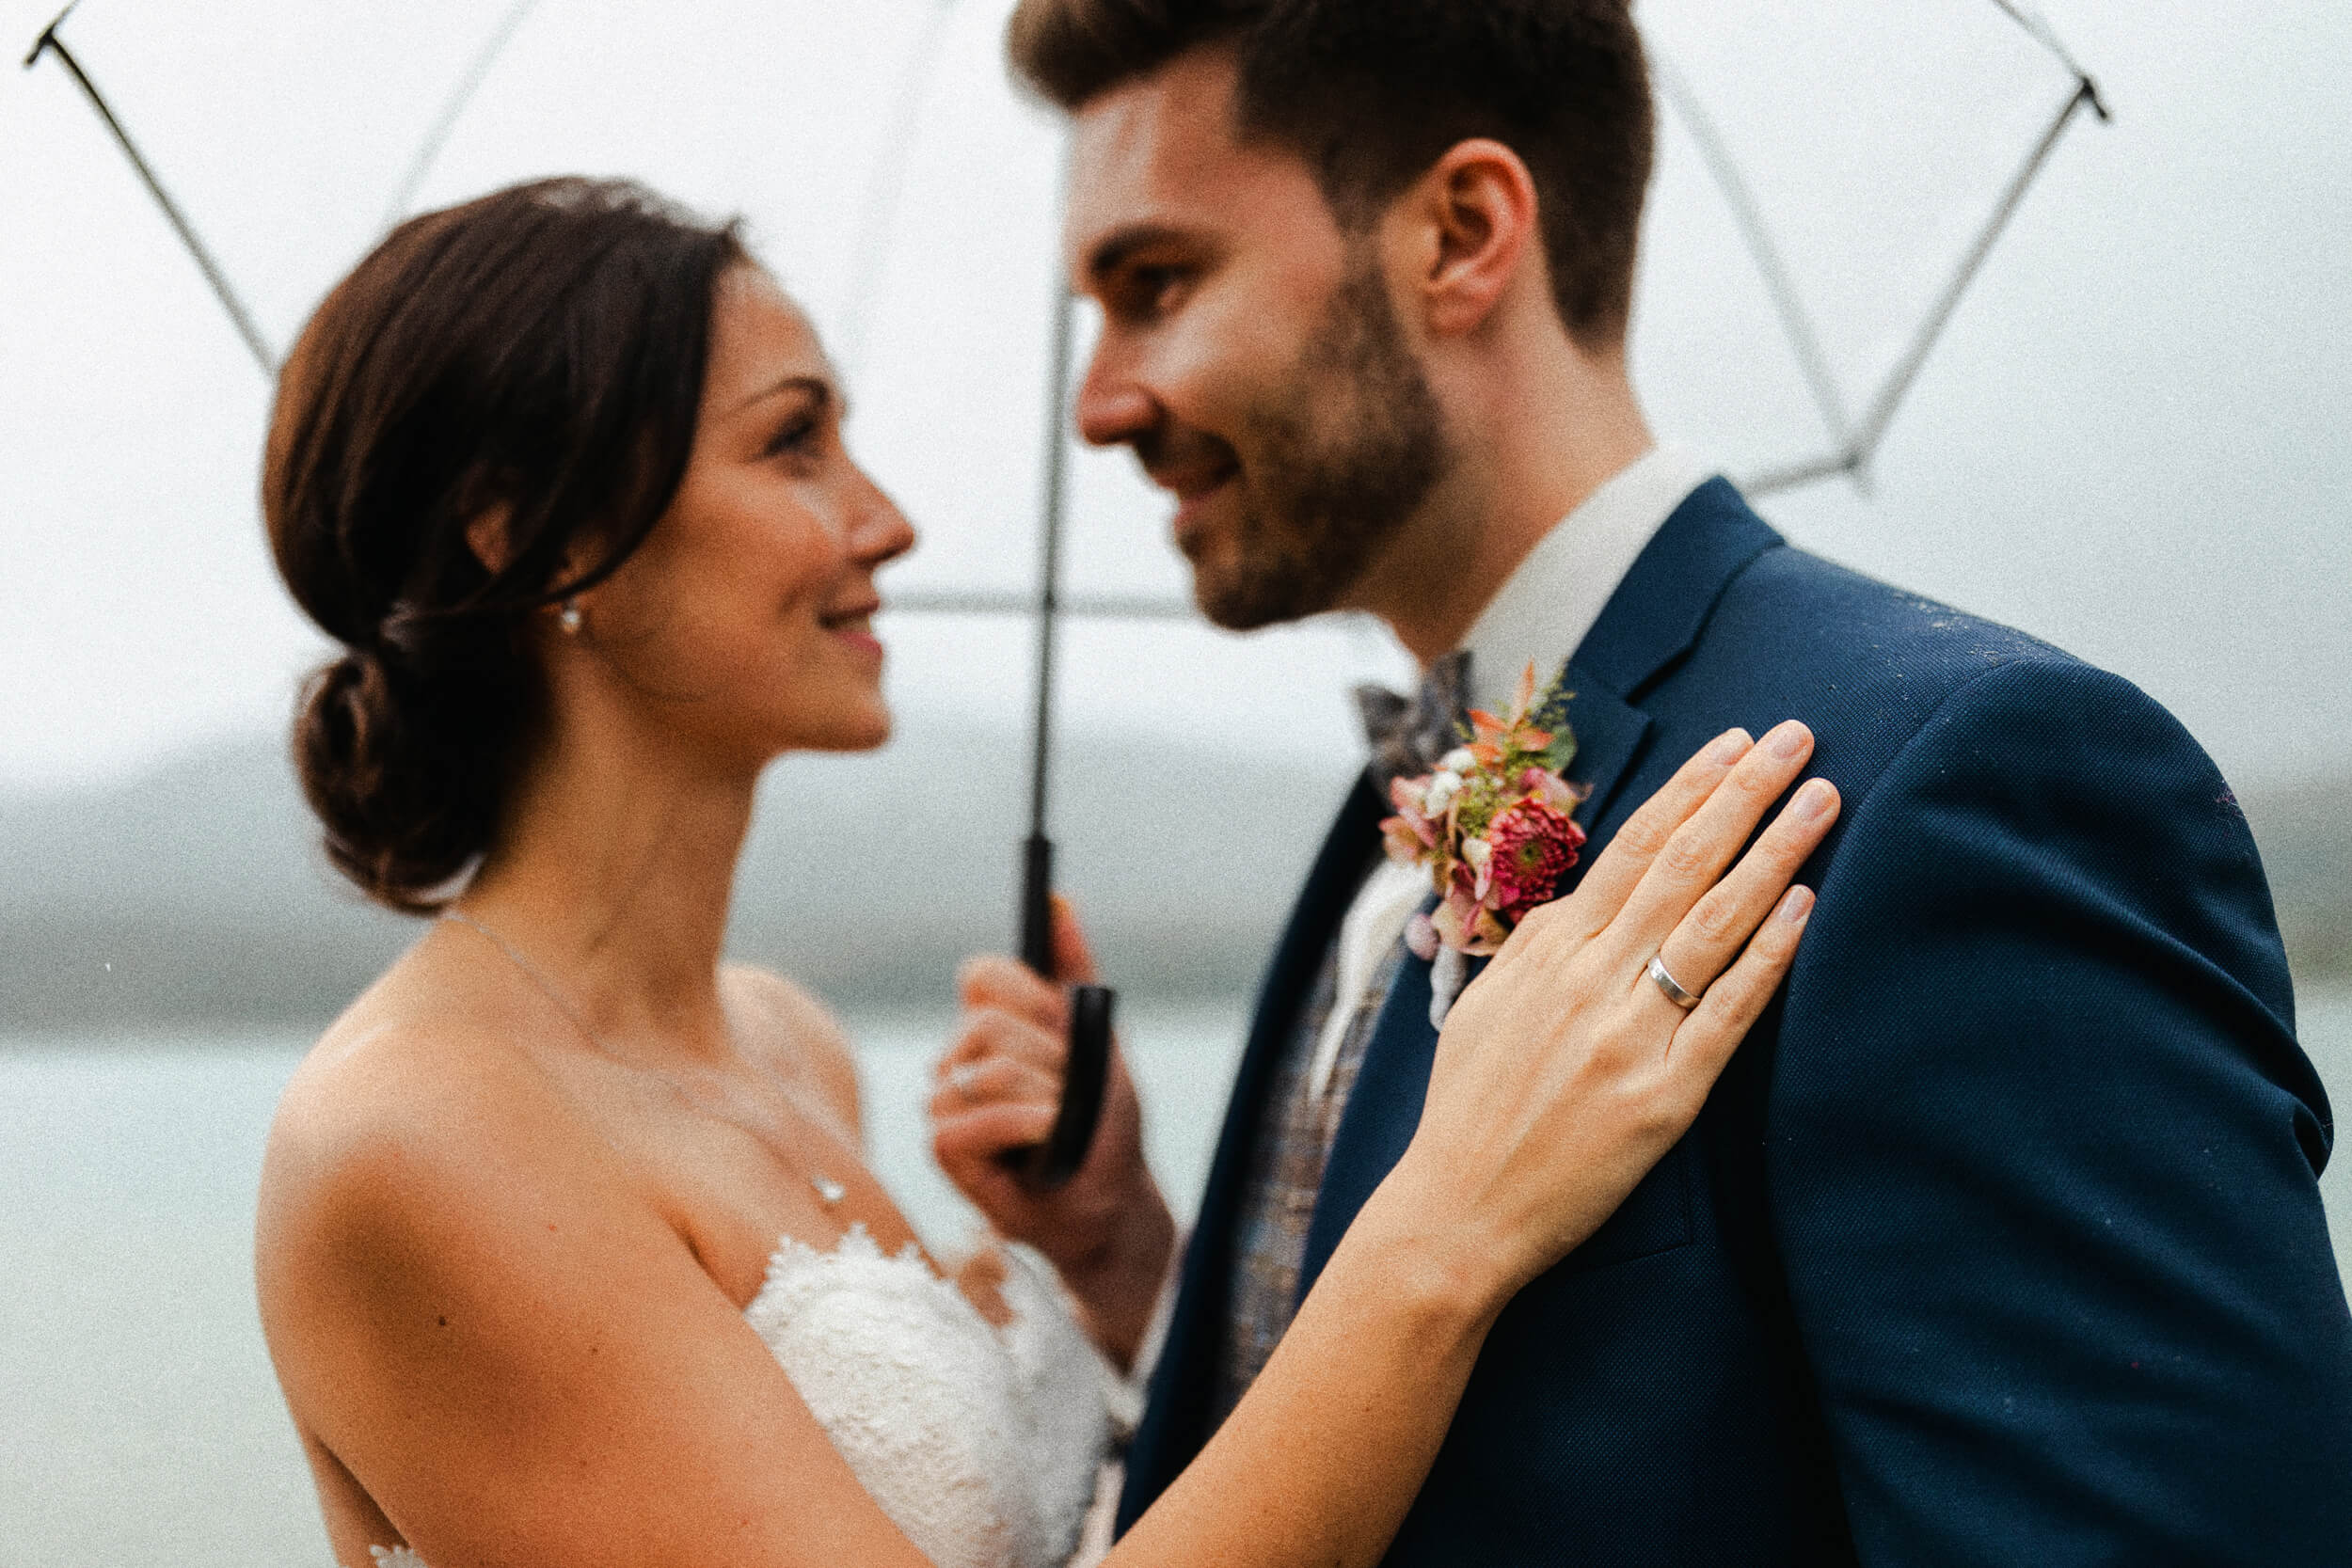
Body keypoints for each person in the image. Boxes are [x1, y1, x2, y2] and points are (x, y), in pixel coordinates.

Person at [931, 2, 2352, 1562]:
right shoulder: (1386, 811)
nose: (1101, 403)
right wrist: (1137, 1261)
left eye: (1157, 286)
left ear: (1463, 234)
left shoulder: (1958, 783)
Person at [251, 175, 1836, 1568]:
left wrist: (1115, 1252)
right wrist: (1452, 1217)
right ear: (519, 530)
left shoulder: (785, 1041)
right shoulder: (417, 1138)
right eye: (793, 444)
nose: (886, 522)